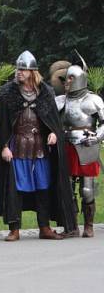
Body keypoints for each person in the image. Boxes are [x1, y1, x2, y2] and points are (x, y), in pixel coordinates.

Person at [0, 51, 76, 241]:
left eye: (23, 69)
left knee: (43, 187)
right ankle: (14, 228)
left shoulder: (45, 92)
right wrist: (4, 147)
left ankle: (44, 227)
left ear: (32, 72)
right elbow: (3, 125)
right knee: (15, 188)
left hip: (40, 148)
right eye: (18, 69)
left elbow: (54, 121)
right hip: (17, 146)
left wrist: (54, 134)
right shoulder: (7, 93)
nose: (19, 72)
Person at [55, 61, 102, 237]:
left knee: (87, 189)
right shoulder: (60, 101)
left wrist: (96, 137)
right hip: (66, 146)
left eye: (70, 78)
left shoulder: (93, 100)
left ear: (80, 79)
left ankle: (89, 225)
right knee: (67, 188)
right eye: (65, 79)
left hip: (87, 145)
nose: (66, 82)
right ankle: (72, 225)